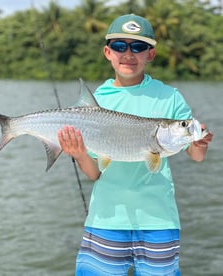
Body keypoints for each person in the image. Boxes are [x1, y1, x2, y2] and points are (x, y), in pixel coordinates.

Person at [58, 14, 213, 276]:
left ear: (150, 54)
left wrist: (199, 142)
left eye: (138, 47)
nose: (128, 54)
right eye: (120, 46)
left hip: (158, 220)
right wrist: (79, 154)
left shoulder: (169, 96)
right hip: (106, 218)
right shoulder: (99, 100)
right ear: (108, 52)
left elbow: (196, 156)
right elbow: (95, 172)